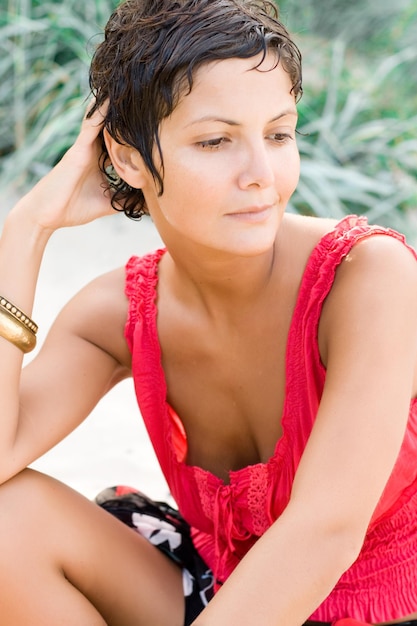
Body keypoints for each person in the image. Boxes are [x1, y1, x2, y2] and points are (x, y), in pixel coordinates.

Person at [1, 0, 417, 624]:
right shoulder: (117, 316)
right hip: (228, 600)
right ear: (129, 157)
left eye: (279, 133)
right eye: (216, 140)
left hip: (383, 610)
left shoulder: (368, 277)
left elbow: (322, 532)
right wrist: (26, 228)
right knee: (10, 522)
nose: (261, 175)